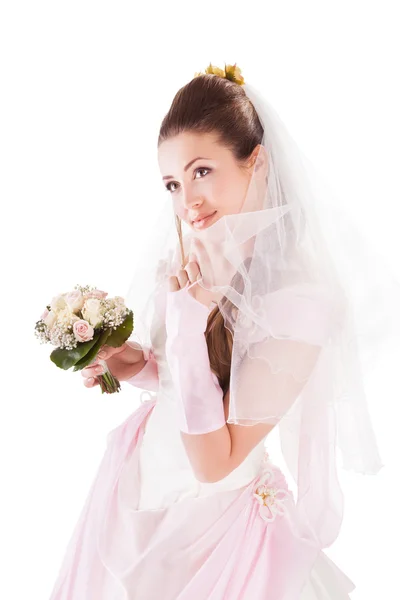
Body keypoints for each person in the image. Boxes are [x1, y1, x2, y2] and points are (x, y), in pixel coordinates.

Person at [48, 63, 399, 599]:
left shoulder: (300, 302)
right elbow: (193, 383)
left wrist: (187, 328)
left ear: (254, 161)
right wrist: (138, 363)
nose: (187, 200)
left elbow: (215, 459)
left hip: (216, 536)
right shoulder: (198, 252)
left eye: (202, 171)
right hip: (140, 498)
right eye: (173, 182)